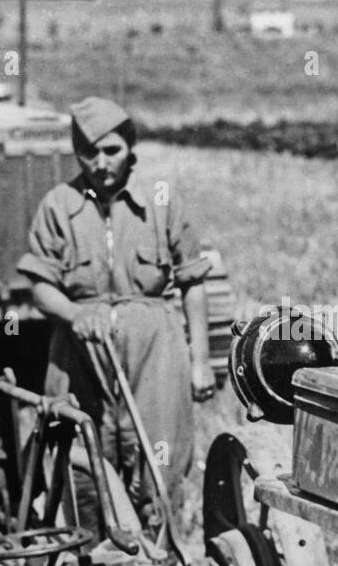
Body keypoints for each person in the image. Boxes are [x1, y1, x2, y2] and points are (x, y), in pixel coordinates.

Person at [18, 96, 215, 533]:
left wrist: (200, 362)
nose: (101, 163)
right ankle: (91, 559)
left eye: (112, 150)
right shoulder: (57, 205)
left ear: (131, 151)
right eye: (89, 152)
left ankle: (159, 560)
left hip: (154, 351)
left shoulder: (161, 201)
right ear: (77, 154)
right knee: (83, 455)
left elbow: (192, 283)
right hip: (78, 353)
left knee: (157, 456)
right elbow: (39, 286)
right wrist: (72, 314)